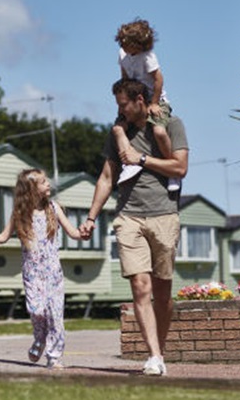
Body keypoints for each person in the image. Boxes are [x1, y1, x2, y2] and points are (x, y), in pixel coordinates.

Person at [79, 78, 189, 376]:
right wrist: (91, 217)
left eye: (123, 104)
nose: (120, 111)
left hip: (164, 213)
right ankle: (153, 354)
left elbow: (180, 168)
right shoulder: (119, 132)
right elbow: (106, 178)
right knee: (140, 286)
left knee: (163, 294)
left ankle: (159, 352)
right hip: (128, 216)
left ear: (140, 99)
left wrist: (141, 159)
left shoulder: (170, 124)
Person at [0, 168, 84, 369]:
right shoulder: (20, 214)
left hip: (53, 272)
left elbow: (73, 233)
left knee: (55, 314)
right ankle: (39, 339)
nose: (49, 185)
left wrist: (84, 232)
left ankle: (54, 356)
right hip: (32, 272)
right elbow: (2, 237)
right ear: (31, 189)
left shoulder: (54, 208)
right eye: (43, 182)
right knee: (36, 311)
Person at [113, 18, 182, 192]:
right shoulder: (123, 54)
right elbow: (125, 76)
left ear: (138, 45)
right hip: (135, 99)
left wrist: (153, 103)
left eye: (126, 43)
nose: (123, 46)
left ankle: (171, 170)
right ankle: (128, 162)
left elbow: (158, 79)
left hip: (156, 100)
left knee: (158, 130)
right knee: (118, 128)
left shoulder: (148, 57)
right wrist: (124, 101)